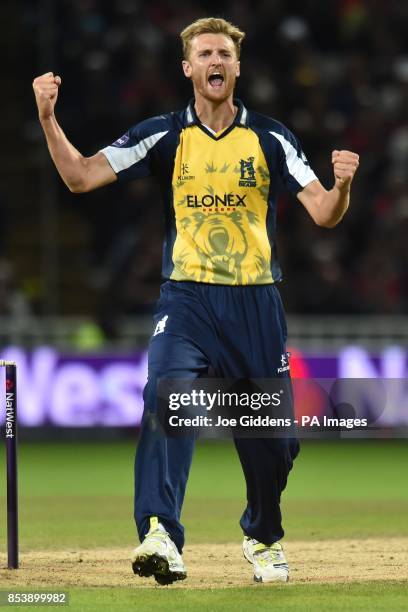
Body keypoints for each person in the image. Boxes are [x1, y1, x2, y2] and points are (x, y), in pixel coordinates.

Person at [32, 17, 359, 585]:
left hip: (257, 304)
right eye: (205, 53)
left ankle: (261, 536)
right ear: (188, 68)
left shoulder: (271, 137)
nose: (215, 61)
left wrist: (344, 185)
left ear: (237, 67)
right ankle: (160, 531)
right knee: (168, 399)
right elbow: (81, 178)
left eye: (224, 54)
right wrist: (47, 118)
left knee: (274, 444)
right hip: (186, 300)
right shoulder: (163, 134)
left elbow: (324, 212)